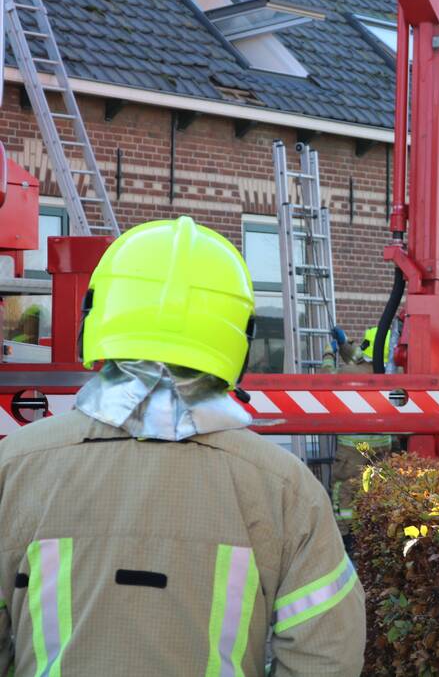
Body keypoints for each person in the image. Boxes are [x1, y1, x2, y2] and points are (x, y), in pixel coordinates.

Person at [0, 216, 365, 675]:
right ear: (239, 338)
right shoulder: (285, 487)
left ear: (98, 316)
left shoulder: (14, 465)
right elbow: (327, 653)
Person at [321, 325, 394, 546]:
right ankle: (372, 539)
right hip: (382, 447)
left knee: (345, 490)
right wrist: (345, 344)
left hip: (353, 449)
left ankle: (346, 538)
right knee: (374, 490)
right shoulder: (392, 374)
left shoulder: (349, 374)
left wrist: (328, 354)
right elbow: (360, 357)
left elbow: (326, 379)